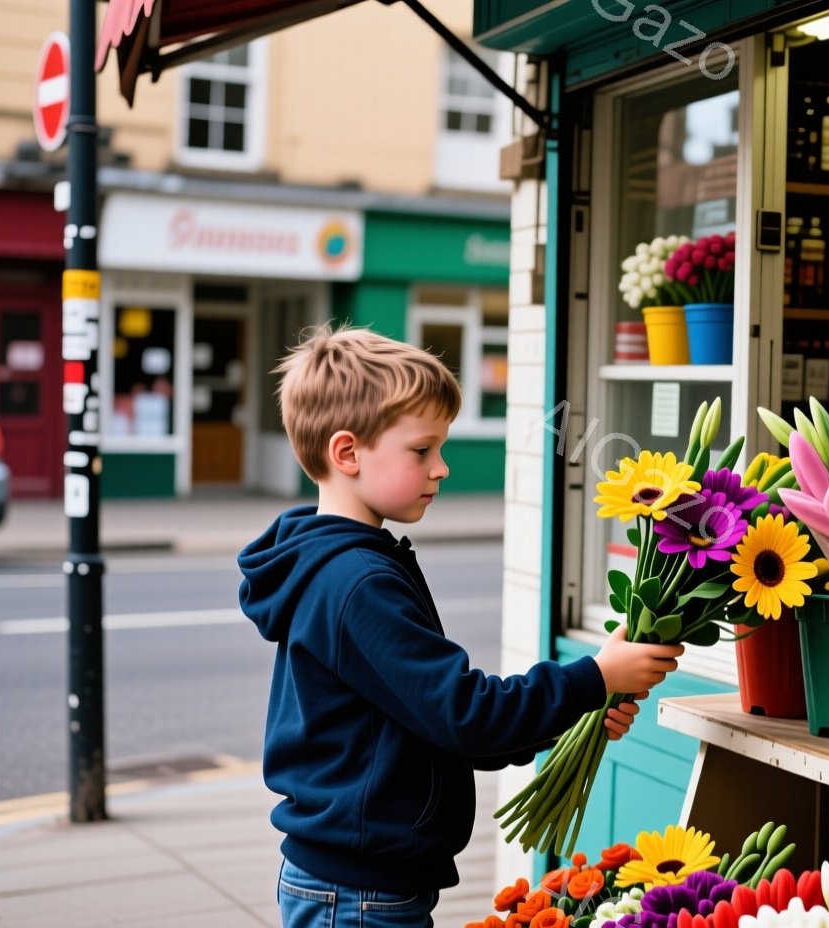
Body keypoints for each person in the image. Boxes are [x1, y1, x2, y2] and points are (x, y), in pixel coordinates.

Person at [239, 324, 682, 927]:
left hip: (353, 880)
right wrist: (592, 679)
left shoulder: (342, 564)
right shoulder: (357, 583)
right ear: (347, 453)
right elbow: (463, 714)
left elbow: (431, 722)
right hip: (360, 894)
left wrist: (579, 709)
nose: (440, 468)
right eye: (422, 451)